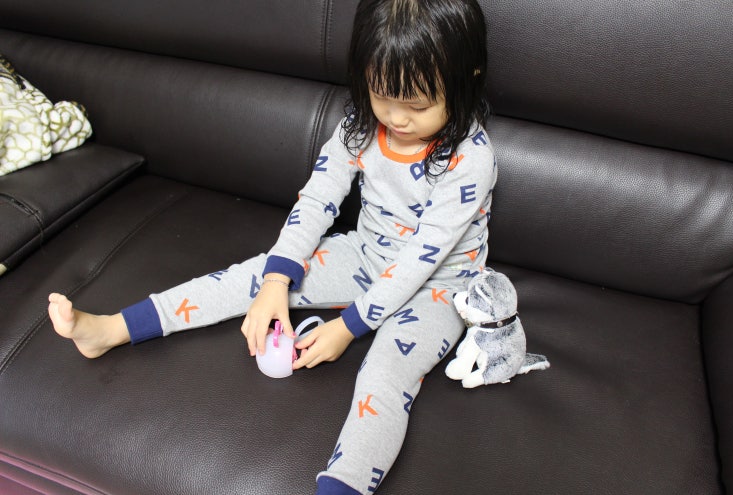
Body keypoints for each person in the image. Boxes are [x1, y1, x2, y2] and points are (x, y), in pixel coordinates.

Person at [48, 0, 494, 492]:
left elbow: (419, 260)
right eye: (382, 96)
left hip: (439, 287)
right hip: (367, 255)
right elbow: (318, 199)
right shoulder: (362, 126)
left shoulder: (471, 159)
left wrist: (348, 326)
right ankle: (112, 329)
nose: (397, 118)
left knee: (385, 375)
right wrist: (277, 280)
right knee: (251, 277)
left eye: (417, 106)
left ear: (467, 77)